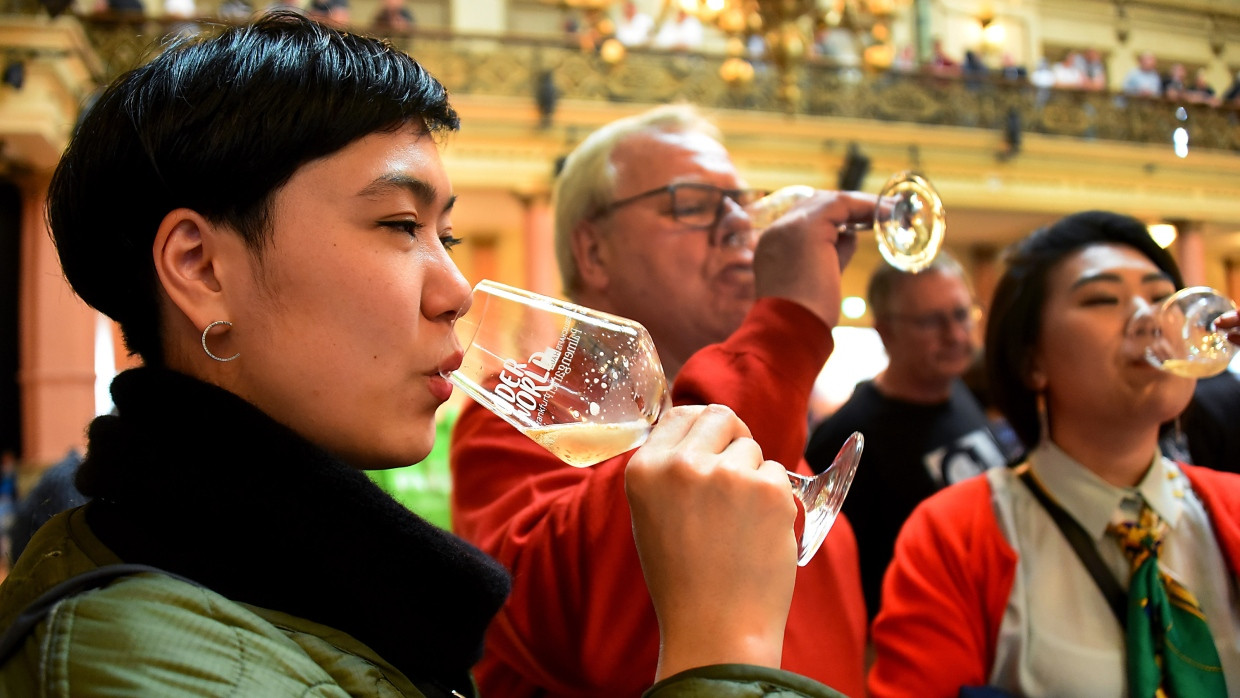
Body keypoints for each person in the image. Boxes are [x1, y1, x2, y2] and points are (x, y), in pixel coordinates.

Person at [0, 14, 845, 697]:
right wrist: (718, 646)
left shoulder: (315, 584)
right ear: (201, 268)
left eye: (445, 233)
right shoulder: (122, 652)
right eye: (400, 226)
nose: (455, 292)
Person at [450, 104, 871, 697]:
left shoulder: (776, 438)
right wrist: (788, 325)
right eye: (693, 203)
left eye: (741, 206)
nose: (737, 227)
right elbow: (582, 619)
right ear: (594, 251)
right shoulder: (529, 409)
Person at [869, 211, 1240, 696]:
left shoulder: (1229, 507)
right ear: (1032, 360)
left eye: (1160, 297)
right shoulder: (955, 535)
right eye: (1103, 299)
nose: (1149, 321)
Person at [804, 252, 1009, 621]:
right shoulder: (848, 440)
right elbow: (825, 587)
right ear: (886, 331)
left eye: (962, 314)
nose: (955, 335)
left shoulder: (958, 394)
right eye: (932, 321)